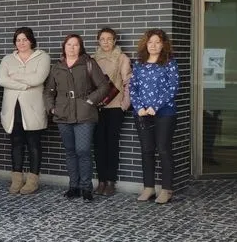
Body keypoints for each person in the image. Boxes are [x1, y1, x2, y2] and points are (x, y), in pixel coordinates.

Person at [43, 34, 110, 202]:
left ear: (81, 47)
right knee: (70, 151)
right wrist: (51, 108)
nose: (72, 48)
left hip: (85, 114)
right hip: (63, 114)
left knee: (83, 150)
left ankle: (86, 188)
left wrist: (90, 101)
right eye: (69, 44)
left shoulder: (88, 63)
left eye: (75, 45)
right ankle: (74, 186)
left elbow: (103, 86)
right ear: (64, 47)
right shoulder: (57, 67)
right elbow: (48, 91)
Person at [0, 27, 50, 195]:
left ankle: (32, 180)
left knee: (34, 143)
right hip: (13, 108)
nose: (21, 43)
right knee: (16, 143)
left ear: (31, 40)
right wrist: (25, 85)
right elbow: (1, 79)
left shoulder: (43, 57)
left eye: (25, 39)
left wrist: (14, 78)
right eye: (18, 40)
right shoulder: (7, 59)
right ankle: (17, 179)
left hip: (33, 108)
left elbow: (38, 78)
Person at [129, 29, 180, 204]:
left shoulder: (170, 63)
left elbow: (173, 88)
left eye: (157, 42)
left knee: (163, 149)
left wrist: (155, 106)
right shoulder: (139, 63)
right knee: (147, 150)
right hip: (142, 114)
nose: (153, 45)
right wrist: (138, 107)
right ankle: (148, 188)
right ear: (145, 44)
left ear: (163, 44)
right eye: (150, 42)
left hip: (165, 113)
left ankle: (166, 189)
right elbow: (133, 87)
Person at [92, 27, 132, 196]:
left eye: (109, 39)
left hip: (115, 107)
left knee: (111, 144)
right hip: (97, 108)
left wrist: (124, 104)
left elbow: (128, 82)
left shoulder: (122, 58)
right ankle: (101, 181)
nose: (106, 42)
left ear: (115, 41)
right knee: (98, 144)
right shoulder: (93, 59)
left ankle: (110, 182)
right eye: (102, 39)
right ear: (98, 41)